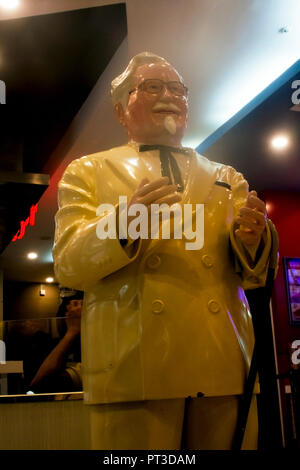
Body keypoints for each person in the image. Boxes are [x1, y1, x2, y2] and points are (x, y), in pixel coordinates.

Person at [53, 52, 277, 449]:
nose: (169, 95)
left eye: (177, 88)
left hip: (222, 356)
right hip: (132, 365)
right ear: (122, 110)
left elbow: (253, 275)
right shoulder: (88, 171)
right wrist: (125, 221)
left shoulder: (228, 177)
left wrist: (253, 241)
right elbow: (69, 263)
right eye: (153, 87)